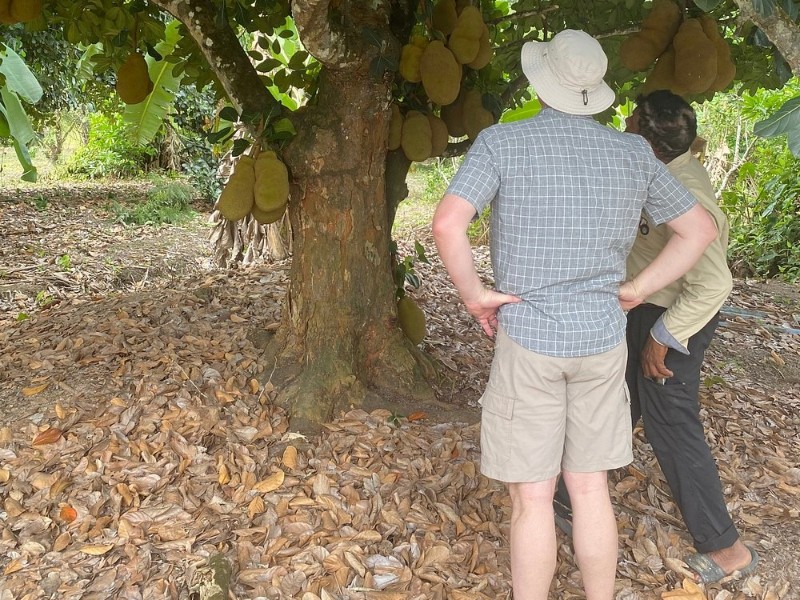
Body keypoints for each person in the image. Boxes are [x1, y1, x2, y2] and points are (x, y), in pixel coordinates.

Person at [431, 30, 718, 600]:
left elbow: (446, 225)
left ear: (542, 83)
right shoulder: (633, 151)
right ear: (593, 91)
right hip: (602, 341)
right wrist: (637, 288)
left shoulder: (502, 143)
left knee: (533, 498)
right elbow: (700, 231)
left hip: (531, 338)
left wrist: (474, 295)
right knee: (590, 491)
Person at [628, 90, 759, 582]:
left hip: (675, 317)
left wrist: (664, 335)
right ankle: (571, 490)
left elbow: (714, 283)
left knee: (672, 424)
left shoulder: (685, 191)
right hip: (647, 308)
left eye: (630, 117)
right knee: (618, 400)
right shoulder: (660, 171)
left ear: (646, 133)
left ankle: (727, 550)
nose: (622, 121)